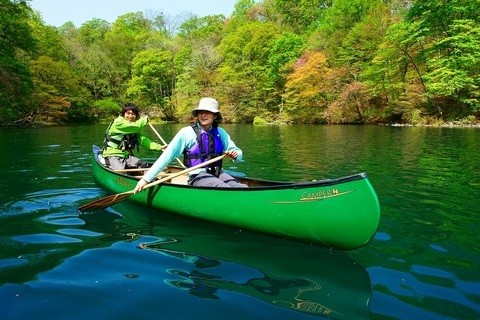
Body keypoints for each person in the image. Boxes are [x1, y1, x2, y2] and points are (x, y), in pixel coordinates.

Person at [134, 97, 248, 192]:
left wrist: (235, 154)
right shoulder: (186, 133)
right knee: (226, 189)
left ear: (215, 116)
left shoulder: (220, 133)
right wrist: (146, 179)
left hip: (217, 173)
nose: (203, 115)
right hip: (197, 176)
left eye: (207, 112)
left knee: (242, 188)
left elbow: (239, 155)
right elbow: (166, 157)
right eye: (200, 112)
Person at [102, 103, 164, 170]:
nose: (130, 116)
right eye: (128, 113)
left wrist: (160, 147)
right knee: (122, 171)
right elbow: (135, 126)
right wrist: (144, 120)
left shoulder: (134, 129)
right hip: (112, 155)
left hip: (126, 156)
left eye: (133, 114)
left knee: (145, 166)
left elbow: (143, 141)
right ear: (123, 114)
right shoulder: (118, 123)